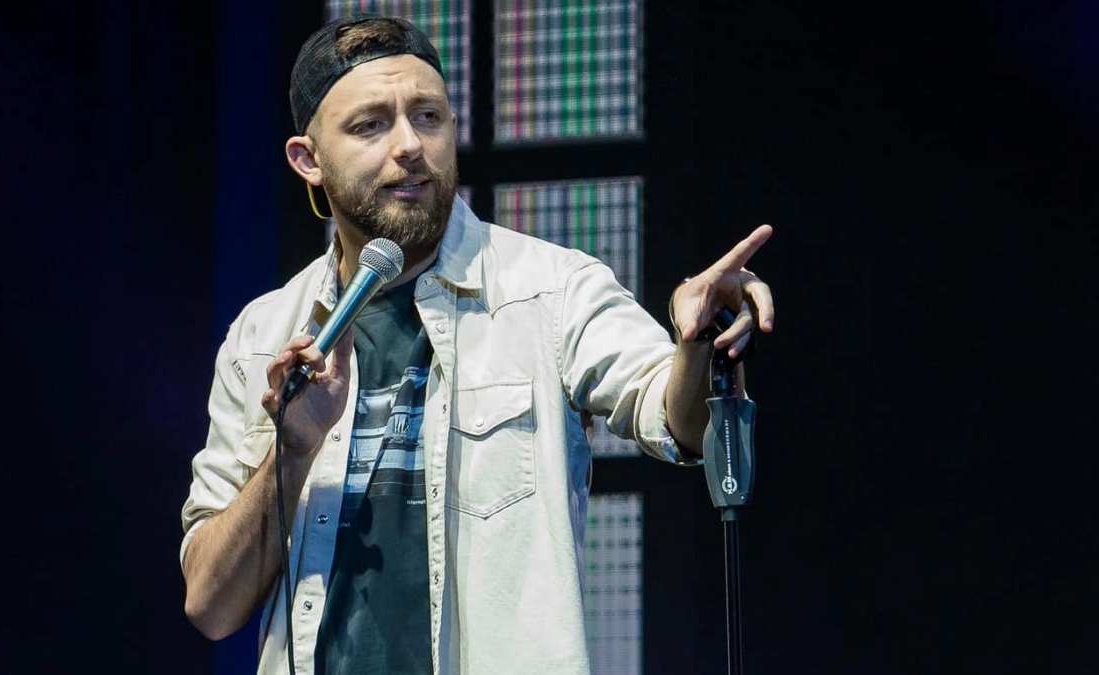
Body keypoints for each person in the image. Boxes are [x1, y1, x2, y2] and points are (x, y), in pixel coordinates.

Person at [180, 16, 775, 675]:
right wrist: (291, 454)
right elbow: (211, 604)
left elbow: (680, 422)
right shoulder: (262, 336)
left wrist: (696, 345)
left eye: (428, 117)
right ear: (308, 160)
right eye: (371, 125)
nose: (411, 145)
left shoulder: (551, 290)